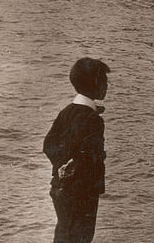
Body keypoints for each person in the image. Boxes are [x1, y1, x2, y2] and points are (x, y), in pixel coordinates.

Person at [43, 57, 110, 243]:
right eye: (105, 81)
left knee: (64, 233)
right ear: (96, 84)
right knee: (82, 236)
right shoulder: (92, 119)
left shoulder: (67, 111)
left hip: (61, 188)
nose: (107, 86)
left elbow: (48, 144)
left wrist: (63, 165)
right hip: (83, 192)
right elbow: (91, 156)